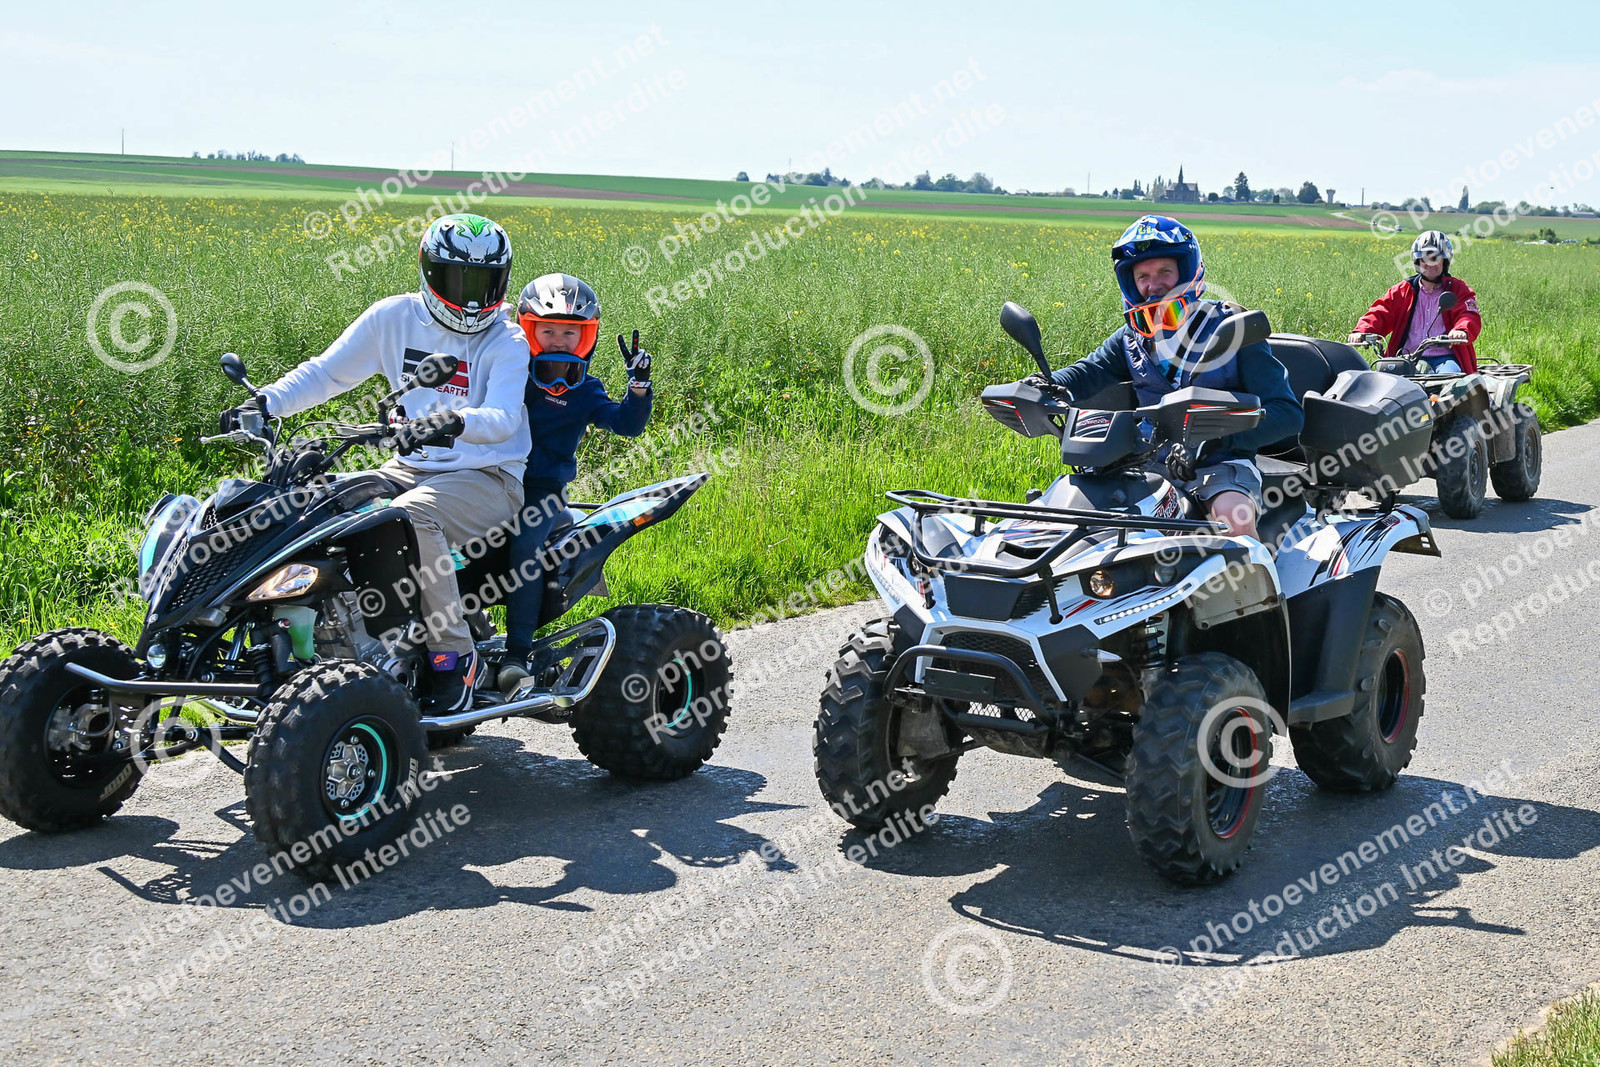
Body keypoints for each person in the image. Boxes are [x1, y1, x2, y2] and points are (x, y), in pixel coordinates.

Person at [235, 213, 530, 711]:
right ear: (430, 272)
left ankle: (456, 659)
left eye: (484, 282)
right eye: (459, 280)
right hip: (410, 469)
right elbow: (326, 374)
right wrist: (264, 403)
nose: (472, 298)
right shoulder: (392, 318)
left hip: (489, 475)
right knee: (318, 507)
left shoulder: (507, 339)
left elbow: (502, 418)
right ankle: (319, 647)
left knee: (409, 517)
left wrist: (453, 421)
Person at [1025, 214, 1303, 539]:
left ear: (1187, 272)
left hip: (1219, 466)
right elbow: (1088, 372)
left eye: (1164, 272)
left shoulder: (1234, 329)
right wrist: (1041, 386)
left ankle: (1256, 574)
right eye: (1142, 276)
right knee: (1070, 514)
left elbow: (1288, 414)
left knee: (1232, 519)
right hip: (1143, 465)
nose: (1153, 285)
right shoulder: (1131, 338)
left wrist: (1214, 441)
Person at [498, 273, 653, 689]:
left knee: (525, 547)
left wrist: (638, 387)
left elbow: (626, 424)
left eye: (570, 332)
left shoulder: (585, 390)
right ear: (527, 329)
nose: (558, 341)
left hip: (543, 491)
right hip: (491, 479)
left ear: (587, 337)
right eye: (546, 330)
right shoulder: (510, 374)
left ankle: (516, 654)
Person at [1348, 230, 1481, 374]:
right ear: (1417, 261)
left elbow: (1468, 315)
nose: (1430, 263)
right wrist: (1362, 330)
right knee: (1385, 381)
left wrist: (1461, 330)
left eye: (1435, 258)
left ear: (1445, 260)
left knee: (1451, 378)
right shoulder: (1403, 291)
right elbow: (1380, 312)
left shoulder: (1458, 289)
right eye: (1424, 258)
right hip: (1408, 357)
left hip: (1445, 358)